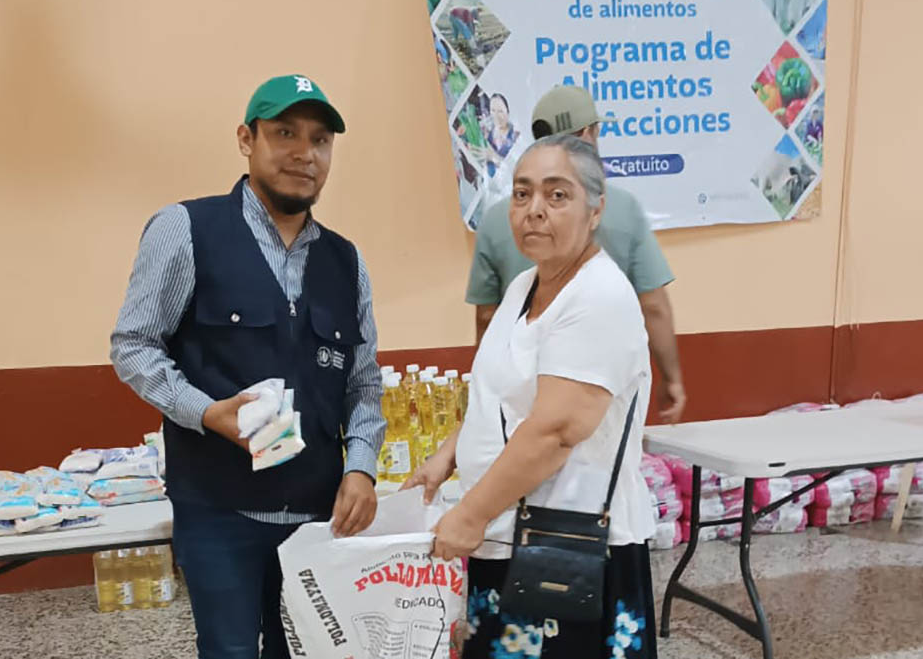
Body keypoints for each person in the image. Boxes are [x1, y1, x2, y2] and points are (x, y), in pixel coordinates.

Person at [110, 74, 384, 659]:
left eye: (319, 140)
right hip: (218, 511)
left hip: (317, 517)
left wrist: (361, 468)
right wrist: (207, 413)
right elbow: (134, 346)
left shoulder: (347, 262)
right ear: (246, 139)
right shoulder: (186, 230)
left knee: (309, 652)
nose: (304, 153)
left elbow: (363, 384)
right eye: (285, 133)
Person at [407, 135, 658, 658]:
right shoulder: (525, 286)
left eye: (557, 195)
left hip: (565, 547)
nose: (534, 210)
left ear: (595, 210)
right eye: (522, 194)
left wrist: (471, 515)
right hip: (510, 533)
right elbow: (504, 395)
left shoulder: (598, 296)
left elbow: (555, 431)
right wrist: (447, 456)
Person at [466, 85, 687, 424]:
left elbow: (486, 317)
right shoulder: (618, 207)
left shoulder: (501, 217)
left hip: (517, 401)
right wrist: (672, 379)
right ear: (587, 134)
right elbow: (653, 305)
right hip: (598, 396)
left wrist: (487, 394)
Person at [483, 93, 519, 177]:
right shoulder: (491, 132)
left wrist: (494, 156)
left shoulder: (514, 136)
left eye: (500, 111)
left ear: (508, 112)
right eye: (493, 110)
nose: (496, 115)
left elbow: (514, 164)